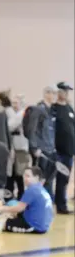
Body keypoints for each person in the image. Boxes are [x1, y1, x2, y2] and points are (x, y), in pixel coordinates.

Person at [0, 166, 53, 234]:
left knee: (1, 224)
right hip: (44, 225)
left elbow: (19, 208)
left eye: (28, 176)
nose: (24, 178)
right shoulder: (41, 189)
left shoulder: (32, 190)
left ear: (36, 177)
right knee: (13, 210)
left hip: (34, 226)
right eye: (24, 176)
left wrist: (1, 208)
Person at [27, 86, 57, 198]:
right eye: (52, 93)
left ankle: (47, 203)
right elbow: (32, 129)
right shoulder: (38, 109)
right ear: (46, 94)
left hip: (51, 149)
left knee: (49, 179)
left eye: (55, 93)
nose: (54, 96)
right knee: (39, 179)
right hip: (41, 150)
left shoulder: (52, 110)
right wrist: (34, 147)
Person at [51, 82, 75, 214]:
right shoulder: (54, 109)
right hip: (58, 151)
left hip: (69, 151)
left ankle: (62, 204)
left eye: (67, 91)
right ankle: (59, 205)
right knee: (57, 178)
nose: (65, 94)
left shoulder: (70, 108)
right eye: (63, 91)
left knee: (64, 179)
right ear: (58, 92)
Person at [5, 96, 30, 200]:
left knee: (20, 173)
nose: (14, 105)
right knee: (11, 173)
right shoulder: (11, 113)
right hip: (12, 147)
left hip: (21, 147)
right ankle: (10, 195)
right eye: (13, 103)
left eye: (16, 103)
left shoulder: (22, 113)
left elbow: (10, 126)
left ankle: (20, 196)